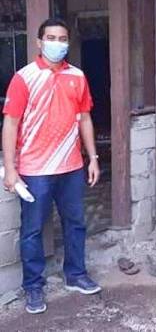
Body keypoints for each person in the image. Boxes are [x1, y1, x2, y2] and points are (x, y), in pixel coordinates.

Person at [2, 18, 101, 314]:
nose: (57, 43)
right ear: (39, 42)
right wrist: (10, 167)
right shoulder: (24, 77)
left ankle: (75, 274)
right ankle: (33, 287)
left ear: (68, 42)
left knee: (76, 223)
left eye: (62, 38)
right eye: (51, 37)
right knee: (32, 229)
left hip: (71, 166)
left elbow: (84, 118)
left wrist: (92, 157)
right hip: (34, 168)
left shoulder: (78, 76)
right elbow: (10, 122)